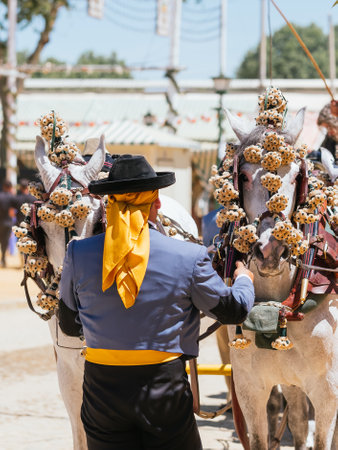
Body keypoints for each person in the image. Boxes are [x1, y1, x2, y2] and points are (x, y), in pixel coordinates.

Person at [59, 151, 255, 450]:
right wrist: (244, 280)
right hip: (162, 387)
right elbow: (233, 310)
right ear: (157, 203)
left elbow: (69, 326)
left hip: (101, 390)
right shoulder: (189, 257)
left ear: (110, 203)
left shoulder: (77, 253)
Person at [0, 180, 16, 267]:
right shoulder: (11, 197)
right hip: (8, 222)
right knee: (5, 242)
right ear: (10, 188)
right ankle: (3, 259)